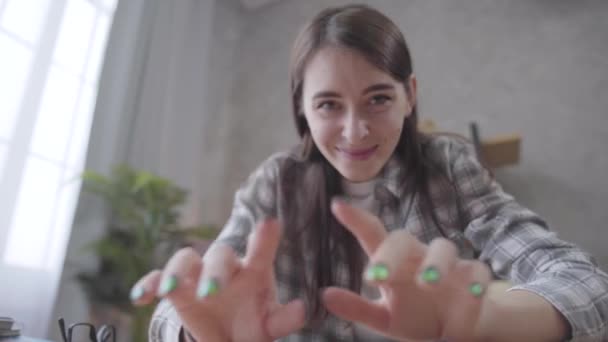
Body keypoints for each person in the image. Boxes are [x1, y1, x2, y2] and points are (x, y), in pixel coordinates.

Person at [129, 4, 608, 341]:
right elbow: (177, 314)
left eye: (378, 98)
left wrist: (489, 320)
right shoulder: (274, 185)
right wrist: (198, 329)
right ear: (302, 109)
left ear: (410, 95)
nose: (355, 131)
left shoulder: (449, 166)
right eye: (329, 105)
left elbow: (586, 285)